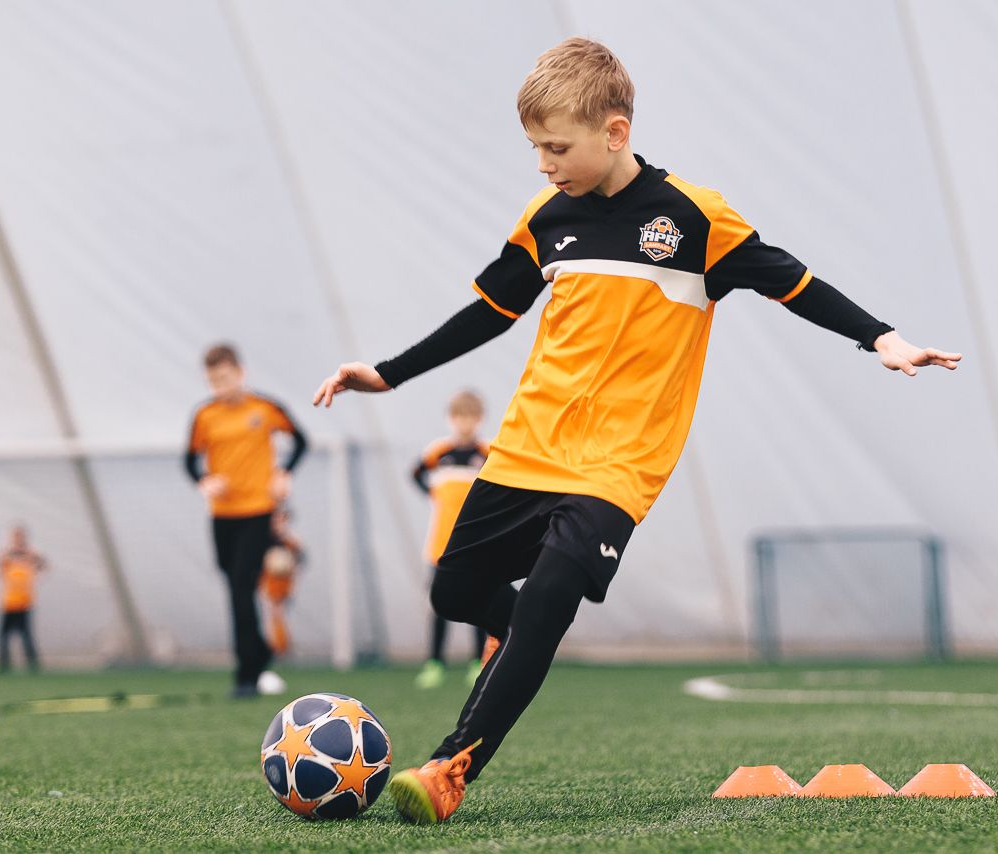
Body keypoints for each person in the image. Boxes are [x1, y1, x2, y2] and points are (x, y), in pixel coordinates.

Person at [311, 37, 961, 823]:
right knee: (454, 591)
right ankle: (520, 645)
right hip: (527, 448)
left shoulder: (695, 217)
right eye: (535, 148)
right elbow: (490, 311)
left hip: (619, 466)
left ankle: (451, 766)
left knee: (549, 595)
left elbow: (793, 282)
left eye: (557, 148)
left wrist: (881, 337)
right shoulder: (545, 220)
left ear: (614, 132)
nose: (543, 165)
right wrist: (389, 372)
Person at [186, 343, 307, 698]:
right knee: (235, 585)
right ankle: (261, 652)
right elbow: (190, 460)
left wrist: (284, 472)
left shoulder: (265, 408)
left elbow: (301, 441)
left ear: (241, 373)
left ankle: (246, 674)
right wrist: (205, 481)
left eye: (224, 378)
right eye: (213, 381)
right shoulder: (205, 415)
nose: (219, 387)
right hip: (223, 516)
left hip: (258, 511)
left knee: (241, 585)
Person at [411, 390, 490, 689]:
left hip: (476, 543)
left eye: (470, 416)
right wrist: (433, 494)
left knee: (479, 604)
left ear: (479, 419)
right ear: (450, 418)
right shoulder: (438, 452)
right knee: (438, 603)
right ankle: (435, 663)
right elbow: (415, 473)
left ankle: (478, 662)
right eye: (459, 416)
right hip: (440, 544)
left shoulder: (487, 453)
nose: (464, 423)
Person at [0, 524, 45, 673]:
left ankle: (32, 664)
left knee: (26, 635)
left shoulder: (31, 556)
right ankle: (4, 665)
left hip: (24, 602)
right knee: (3, 636)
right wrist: (12, 553)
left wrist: (27, 554)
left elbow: (42, 564)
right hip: (8, 602)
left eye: (20, 536)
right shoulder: (7, 556)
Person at [259, 506, 304, 656]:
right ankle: (276, 645)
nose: (280, 524)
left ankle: (280, 646)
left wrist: (295, 581)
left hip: (284, 582)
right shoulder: (266, 539)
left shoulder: (292, 542)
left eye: (283, 520)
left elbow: (299, 562)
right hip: (269, 581)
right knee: (272, 613)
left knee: (279, 612)